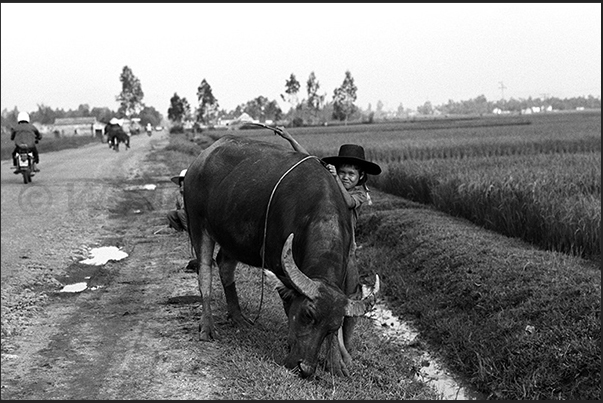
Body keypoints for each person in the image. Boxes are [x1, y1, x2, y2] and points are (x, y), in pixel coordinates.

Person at [275, 128, 382, 244]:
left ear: (361, 176)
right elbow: (310, 160)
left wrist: (336, 178)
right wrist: (290, 138)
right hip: (324, 231)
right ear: (338, 171)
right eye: (342, 173)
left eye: (351, 174)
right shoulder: (333, 179)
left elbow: (349, 203)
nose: (346, 177)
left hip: (345, 239)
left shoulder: (360, 193)